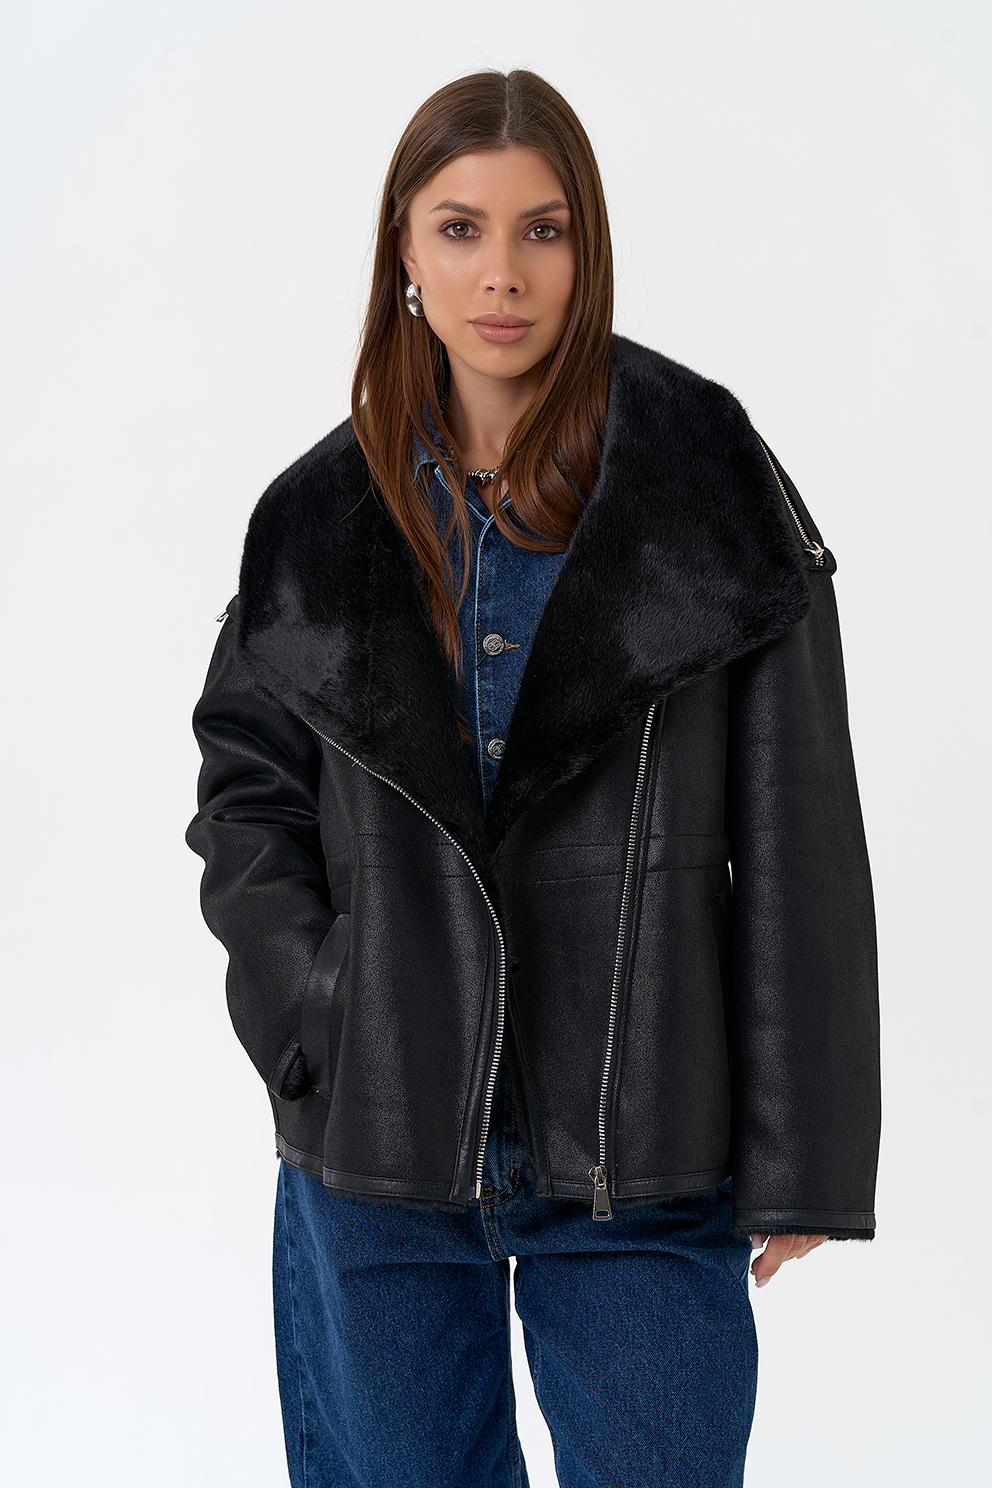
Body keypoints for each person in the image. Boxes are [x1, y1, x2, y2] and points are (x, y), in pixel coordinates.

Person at [186, 68, 881, 1488]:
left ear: (588, 248)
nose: (501, 273)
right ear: (403, 251)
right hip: (381, 1145)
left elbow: (800, 825)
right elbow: (246, 788)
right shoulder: (315, 518)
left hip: (645, 1147)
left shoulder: (705, 478)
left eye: (542, 230)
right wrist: (314, 1008)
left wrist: (803, 1150)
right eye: (460, 228)